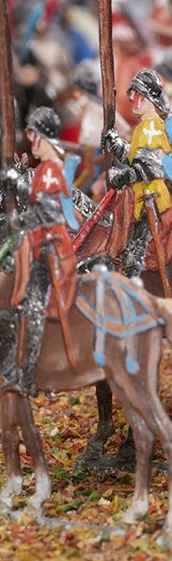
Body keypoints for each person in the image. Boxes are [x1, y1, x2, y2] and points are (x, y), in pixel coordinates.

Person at [3, 108, 79, 394]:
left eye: (35, 134)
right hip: (40, 242)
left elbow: (48, 211)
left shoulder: (52, 169)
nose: (31, 139)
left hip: (52, 246)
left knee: (34, 305)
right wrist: (17, 181)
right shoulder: (44, 169)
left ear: (44, 136)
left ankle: (30, 374)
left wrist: (19, 220)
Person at [100, 68, 172, 279]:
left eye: (136, 94)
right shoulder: (144, 127)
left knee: (133, 256)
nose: (132, 99)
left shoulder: (151, 127)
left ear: (145, 98)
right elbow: (136, 157)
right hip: (141, 198)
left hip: (149, 202)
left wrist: (122, 176)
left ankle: (132, 285)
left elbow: (149, 168)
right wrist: (116, 144)